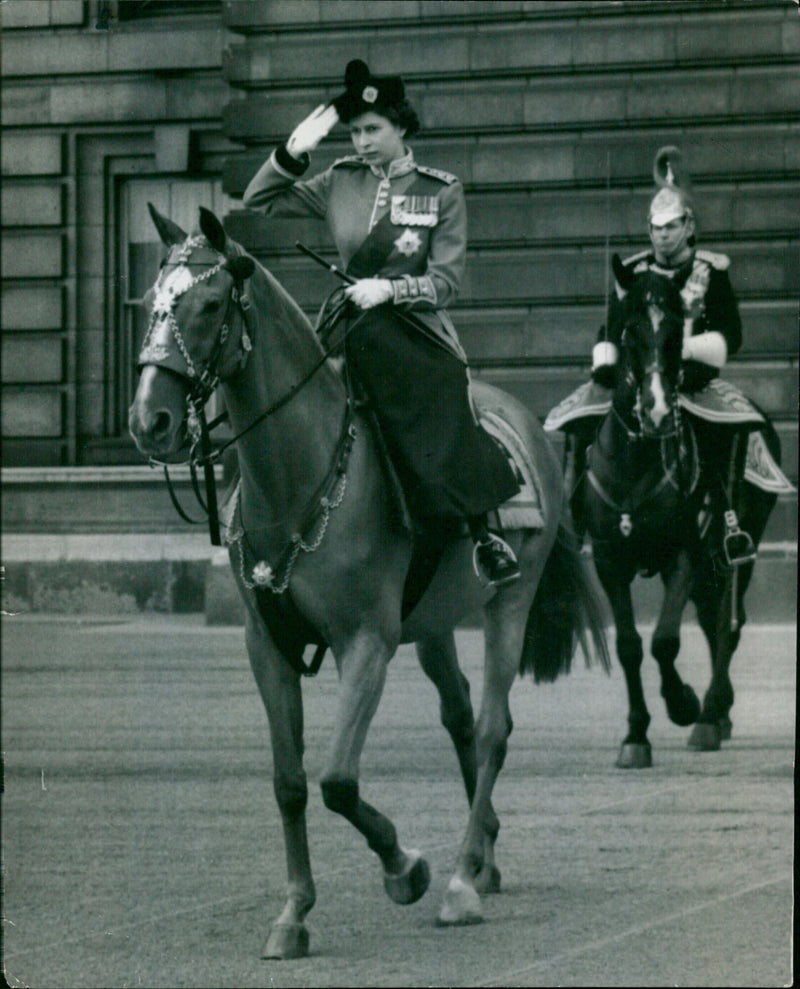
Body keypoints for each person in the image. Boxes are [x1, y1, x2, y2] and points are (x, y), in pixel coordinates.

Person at [242, 59, 521, 586]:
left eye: (374, 129)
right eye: (354, 131)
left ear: (402, 127)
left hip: (414, 332)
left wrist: (390, 289)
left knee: (443, 397)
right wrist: (291, 153)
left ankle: (482, 530)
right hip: (348, 322)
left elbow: (446, 283)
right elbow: (260, 201)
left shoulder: (441, 191)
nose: (363, 141)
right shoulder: (338, 180)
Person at [551, 146, 763, 559]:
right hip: (636, 377)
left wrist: (687, 348)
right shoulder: (633, 273)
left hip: (693, 379)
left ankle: (729, 524)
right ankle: (571, 522)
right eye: (656, 227)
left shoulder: (710, 270)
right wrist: (607, 363)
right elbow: (610, 326)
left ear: (688, 226)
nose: (662, 234)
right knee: (578, 424)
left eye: (671, 226)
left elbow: (730, 333)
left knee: (732, 431)